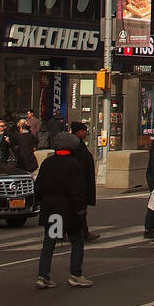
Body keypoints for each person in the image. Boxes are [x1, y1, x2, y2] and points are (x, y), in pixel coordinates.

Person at [33, 133, 91, 289]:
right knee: (77, 240)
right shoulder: (74, 165)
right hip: (69, 210)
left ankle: (43, 275)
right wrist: (81, 210)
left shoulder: (47, 163)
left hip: (51, 209)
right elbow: (77, 191)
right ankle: (75, 274)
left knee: (50, 242)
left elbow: (38, 188)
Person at [70, 122, 99, 240]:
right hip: (78, 183)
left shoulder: (78, 144)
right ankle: (82, 233)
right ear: (78, 132)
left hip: (82, 181)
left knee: (79, 209)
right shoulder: (75, 145)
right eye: (83, 131)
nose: (85, 133)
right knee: (79, 210)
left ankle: (82, 232)